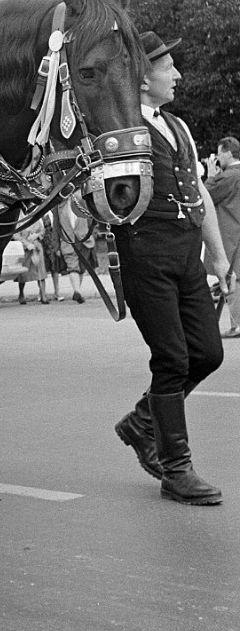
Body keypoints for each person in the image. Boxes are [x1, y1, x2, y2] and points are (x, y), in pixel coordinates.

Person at [113, 31, 232, 506]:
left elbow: (200, 193)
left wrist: (218, 255)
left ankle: (143, 421)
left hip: (185, 256)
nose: (178, 75)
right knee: (173, 360)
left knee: (207, 354)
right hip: (145, 256)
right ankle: (175, 469)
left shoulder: (177, 127)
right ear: (144, 78)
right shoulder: (121, 128)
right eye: (169, 68)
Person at [203, 136, 240, 338]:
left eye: (218, 154)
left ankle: (237, 325)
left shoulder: (228, 176)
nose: (217, 159)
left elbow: (205, 196)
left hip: (232, 234)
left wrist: (210, 175)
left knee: (234, 280)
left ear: (227, 152)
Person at [57, 200, 96, 304]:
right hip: (68, 241)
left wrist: (92, 236)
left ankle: (77, 290)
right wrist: (56, 247)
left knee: (82, 267)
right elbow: (56, 228)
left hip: (84, 240)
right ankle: (77, 291)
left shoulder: (82, 203)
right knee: (72, 267)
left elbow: (92, 221)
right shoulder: (59, 207)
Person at [14, 217, 49, 304]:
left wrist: (37, 235)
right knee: (23, 274)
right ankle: (21, 294)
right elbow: (15, 234)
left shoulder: (35, 218)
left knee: (41, 272)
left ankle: (43, 295)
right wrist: (26, 243)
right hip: (25, 249)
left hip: (37, 248)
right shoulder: (19, 220)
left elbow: (42, 230)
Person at [42, 211, 65, 301]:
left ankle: (57, 292)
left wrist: (57, 247)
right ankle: (42, 294)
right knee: (42, 271)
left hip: (52, 244)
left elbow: (58, 230)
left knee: (55, 269)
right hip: (42, 244)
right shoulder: (38, 213)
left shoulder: (54, 214)